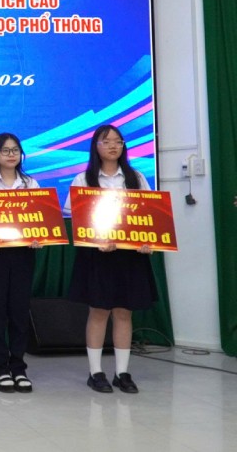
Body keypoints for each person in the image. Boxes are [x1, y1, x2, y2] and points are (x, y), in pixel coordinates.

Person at [64, 124, 156, 394]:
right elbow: (77, 220)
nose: (114, 146)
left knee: (124, 312)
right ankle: (96, 373)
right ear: (96, 147)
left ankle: (123, 373)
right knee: (99, 311)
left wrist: (147, 242)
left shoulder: (136, 177)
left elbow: (149, 216)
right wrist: (97, 241)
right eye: (107, 142)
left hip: (129, 257)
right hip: (97, 256)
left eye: (119, 141)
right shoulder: (83, 179)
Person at [0, 133, 40, 393]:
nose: (11, 154)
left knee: (19, 311)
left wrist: (39, 237)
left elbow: (40, 219)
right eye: (5, 150)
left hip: (24, 253)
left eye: (15, 150)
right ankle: (1, 368)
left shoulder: (30, 183)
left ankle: (19, 367)